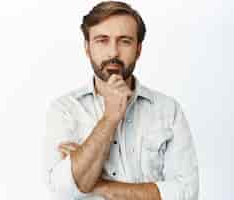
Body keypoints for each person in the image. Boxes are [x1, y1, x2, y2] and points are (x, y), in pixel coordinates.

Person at [44, 1, 199, 199]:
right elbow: (63, 189)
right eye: (102, 40)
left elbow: (186, 193)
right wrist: (109, 118)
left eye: (124, 41)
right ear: (87, 47)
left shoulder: (168, 110)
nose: (113, 53)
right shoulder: (64, 109)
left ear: (139, 49)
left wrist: (98, 184)